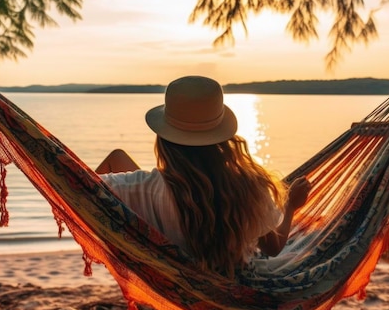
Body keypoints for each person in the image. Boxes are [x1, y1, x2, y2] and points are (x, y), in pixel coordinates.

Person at [96, 75, 310, 278]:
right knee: (122, 160)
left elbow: (80, 187)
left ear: (163, 139)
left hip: (176, 280)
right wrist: (290, 205)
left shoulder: (143, 188)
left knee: (117, 158)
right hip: (237, 290)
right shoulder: (249, 188)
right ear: (223, 139)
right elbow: (273, 248)